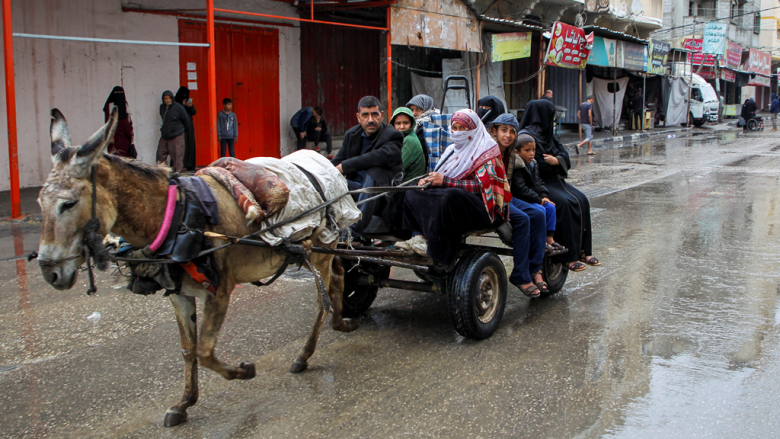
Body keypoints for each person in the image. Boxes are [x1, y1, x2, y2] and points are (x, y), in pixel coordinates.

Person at [397, 109, 511, 268]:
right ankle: (418, 237)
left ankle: (439, 254)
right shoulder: (452, 150)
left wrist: (446, 181)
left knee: (451, 195)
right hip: (457, 201)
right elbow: (441, 176)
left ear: (473, 129)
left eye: (462, 128)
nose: (457, 133)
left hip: (484, 208)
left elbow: (484, 187)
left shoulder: (486, 149)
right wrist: (428, 181)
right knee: (412, 190)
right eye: (454, 128)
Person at [518, 99, 600, 272]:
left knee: (582, 200)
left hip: (556, 181)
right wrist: (555, 162)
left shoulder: (548, 134)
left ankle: (584, 251)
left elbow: (565, 156)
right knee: (563, 203)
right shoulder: (526, 136)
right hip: (539, 183)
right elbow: (537, 163)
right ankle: (568, 257)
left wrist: (557, 160)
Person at [487, 113, 547, 297]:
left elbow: (508, 182)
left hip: (506, 196)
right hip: (491, 198)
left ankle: (535, 268)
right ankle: (520, 275)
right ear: (495, 131)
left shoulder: (511, 154)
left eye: (512, 132)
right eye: (504, 130)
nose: (508, 135)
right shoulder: (488, 150)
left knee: (540, 214)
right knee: (523, 219)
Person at [332, 96, 403, 234]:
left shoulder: (393, 136)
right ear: (358, 118)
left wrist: (344, 166)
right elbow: (336, 162)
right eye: (365, 115)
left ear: (382, 115)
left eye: (374, 114)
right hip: (355, 190)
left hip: (381, 197)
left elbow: (376, 157)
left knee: (375, 170)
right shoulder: (352, 135)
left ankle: (354, 230)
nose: (370, 120)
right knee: (330, 179)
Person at [389, 107, 426, 180]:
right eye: (398, 123)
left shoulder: (410, 140)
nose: (402, 127)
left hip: (410, 187)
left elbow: (396, 168)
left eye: (406, 123)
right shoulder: (399, 139)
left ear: (412, 124)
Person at [157, 90, 189, 172]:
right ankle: (163, 171)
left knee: (177, 155)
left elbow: (186, 121)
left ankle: (177, 174)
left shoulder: (178, 107)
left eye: (169, 98)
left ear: (172, 98)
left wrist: (181, 131)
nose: (167, 100)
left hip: (176, 134)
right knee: (160, 154)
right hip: (165, 135)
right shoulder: (162, 107)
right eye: (166, 98)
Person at [407, 94, 439, 168]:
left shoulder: (425, 126)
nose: (414, 113)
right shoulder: (417, 124)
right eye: (412, 110)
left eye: (418, 109)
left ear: (426, 109)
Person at [102, 86, 135, 158]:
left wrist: (131, 134)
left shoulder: (125, 104)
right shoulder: (109, 106)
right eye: (117, 93)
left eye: (120, 93)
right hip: (114, 139)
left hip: (124, 139)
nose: (119, 96)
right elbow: (108, 123)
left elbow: (129, 121)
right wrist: (110, 137)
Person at [174, 86, 197, 170]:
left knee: (190, 144)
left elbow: (194, 112)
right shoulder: (175, 102)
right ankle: (181, 165)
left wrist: (189, 106)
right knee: (182, 146)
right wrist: (183, 106)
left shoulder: (188, 101)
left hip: (189, 127)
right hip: (180, 126)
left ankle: (190, 164)